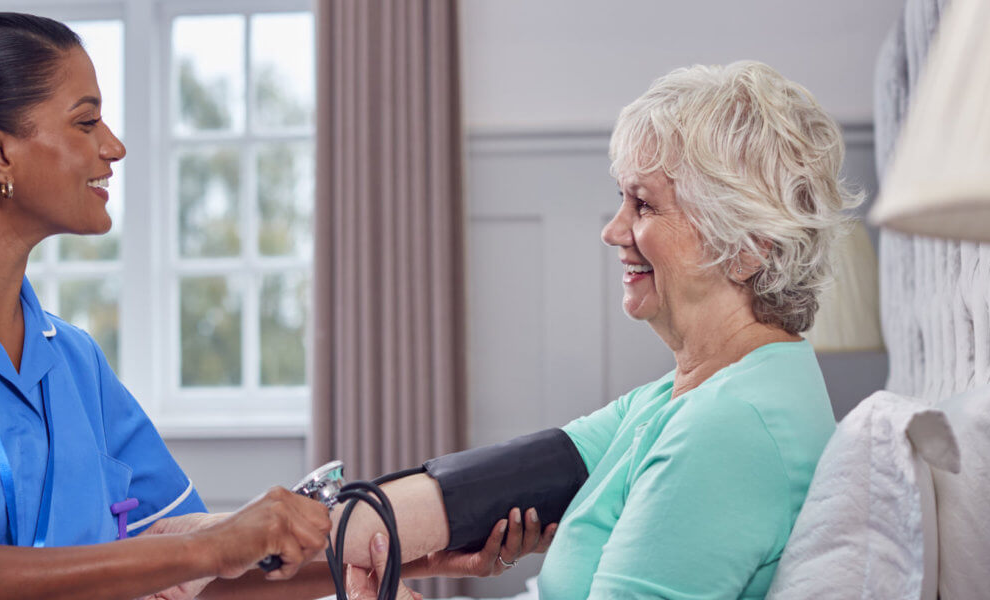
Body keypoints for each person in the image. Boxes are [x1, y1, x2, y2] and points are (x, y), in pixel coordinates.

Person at [0, 12, 545, 600]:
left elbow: (189, 576)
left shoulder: (69, 359)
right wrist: (213, 547)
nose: (114, 147)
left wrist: (397, 554)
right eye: (85, 121)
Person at [330, 60, 853, 600]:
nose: (612, 230)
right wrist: (295, 530)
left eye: (643, 204)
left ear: (747, 249)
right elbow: (455, 498)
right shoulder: (680, 397)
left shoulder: (728, 428)